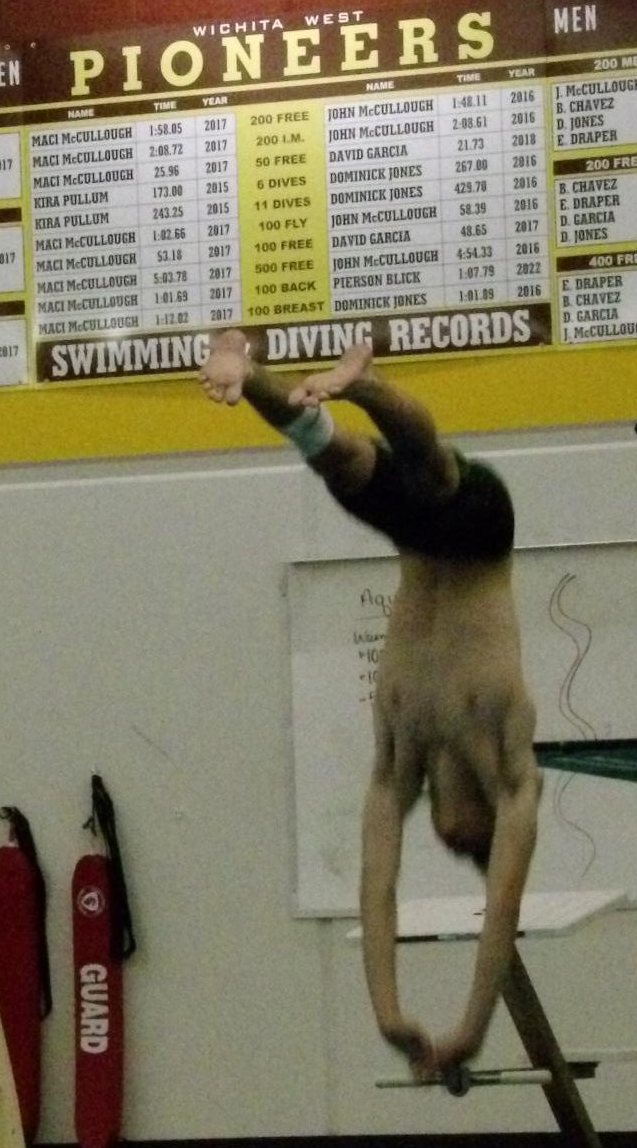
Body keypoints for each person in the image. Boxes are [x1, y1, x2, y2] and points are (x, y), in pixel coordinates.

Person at [199, 330, 539, 1085]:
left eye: (444, 846)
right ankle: (367, 382)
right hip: (480, 530)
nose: (450, 841)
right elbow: (501, 916)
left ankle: (243, 368)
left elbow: (374, 887)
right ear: (483, 819)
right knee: (436, 474)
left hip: (416, 541)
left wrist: (388, 1014)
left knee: (335, 457)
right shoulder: (512, 767)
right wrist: (469, 1030)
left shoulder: (399, 757)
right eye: (465, 848)